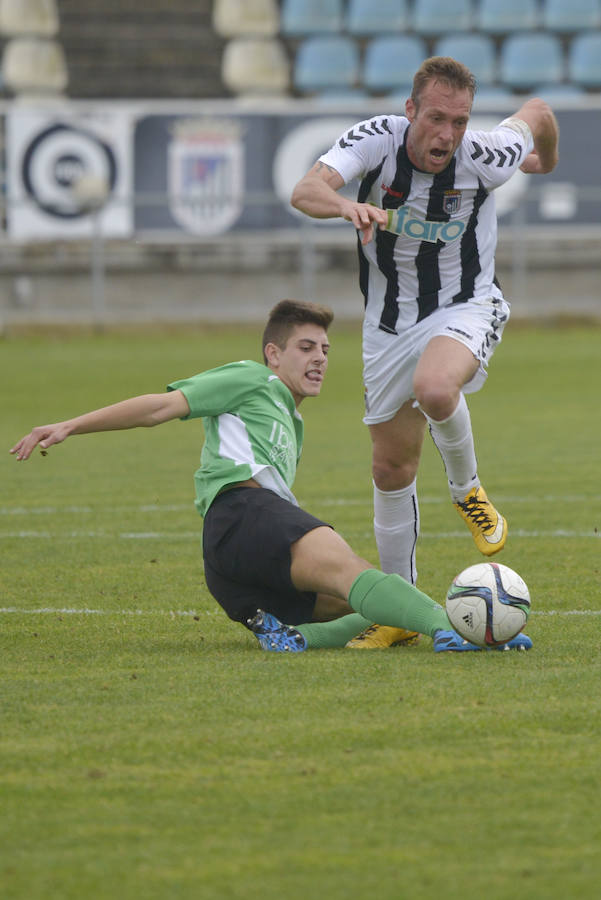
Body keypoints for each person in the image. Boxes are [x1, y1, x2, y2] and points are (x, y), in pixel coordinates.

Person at [10, 299, 530, 654]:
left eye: (326, 350)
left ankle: (293, 637)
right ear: (273, 354)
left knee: (364, 610)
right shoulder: (251, 379)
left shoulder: (290, 418)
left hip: (228, 564)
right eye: (306, 348)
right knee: (365, 579)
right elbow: (159, 407)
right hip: (246, 516)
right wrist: (70, 426)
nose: (320, 359)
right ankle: (460, 627)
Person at [290, 56, 559, 648]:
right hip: (388, 326)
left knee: (436, 388)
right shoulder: (376, 140)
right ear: (410, 110)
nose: (448, 134)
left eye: (459, 121)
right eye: (436, 118)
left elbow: (537, 113)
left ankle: (469, 492)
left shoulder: (485, 154)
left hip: (468, 304)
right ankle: (398, 611)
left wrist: (544, 160)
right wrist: (345, 206)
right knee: (391, 468)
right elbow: (305, 189)